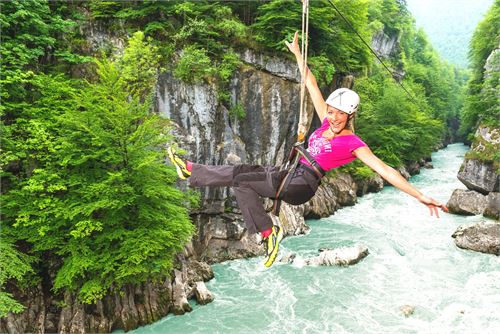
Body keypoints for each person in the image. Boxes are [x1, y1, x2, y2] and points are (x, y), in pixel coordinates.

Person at [167, 31, 448, 268]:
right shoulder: (326, 119)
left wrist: (421, 196)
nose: (334, 117)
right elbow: (311, 82)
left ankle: (267, 231)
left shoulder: (353, 144)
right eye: (332, 111)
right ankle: (193, 171)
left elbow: (384, 170)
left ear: (350, 116)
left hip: (302, 184)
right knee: (242, 176)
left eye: (340, 114)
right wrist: (298, 53)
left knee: (242, 179)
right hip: (289, 172)